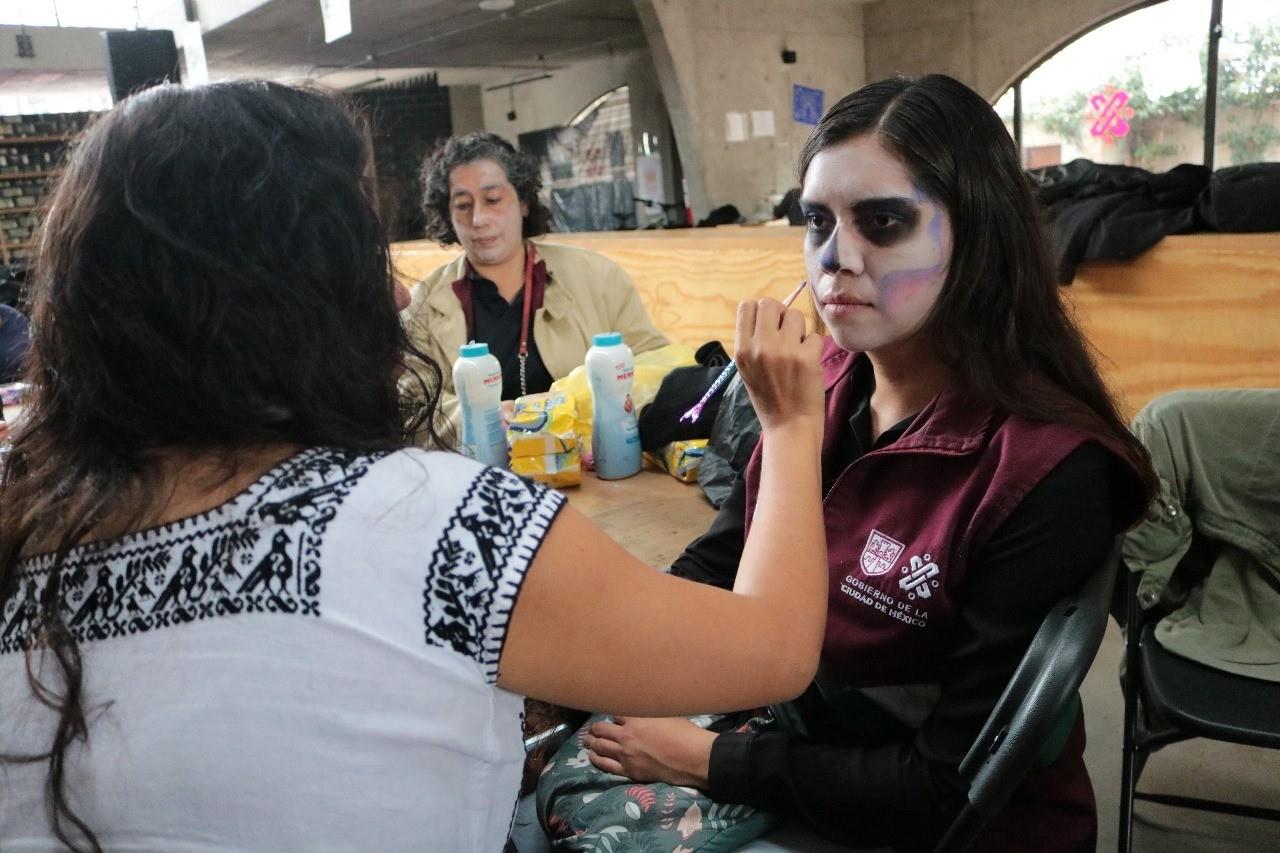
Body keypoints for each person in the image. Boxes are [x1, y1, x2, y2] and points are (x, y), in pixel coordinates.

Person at [0, 81, 831, 852]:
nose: (395, 289)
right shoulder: (437, 526)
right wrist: (790, 426)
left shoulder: (27, 527)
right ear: (319, 285)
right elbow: (778, 649)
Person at [578, 75, 1157, 853]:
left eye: (883, 222)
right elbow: (722, 559)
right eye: (816, 222)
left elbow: (943, 788)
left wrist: (708, 757)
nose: (835, 258)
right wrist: (592, 660)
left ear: (977, 234)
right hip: (800, 737)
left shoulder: (1049, 471)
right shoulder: (818, 379)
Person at [405, 132, 668, 430]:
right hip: (478, 469)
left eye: (493, 200)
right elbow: (412, 405)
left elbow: (655, 364)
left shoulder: (599, 279)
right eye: (463, 205)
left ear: (524, 202)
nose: (478, 219)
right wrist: (478, 420)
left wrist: (578, 404)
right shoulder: (424, 304)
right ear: (447, 215)